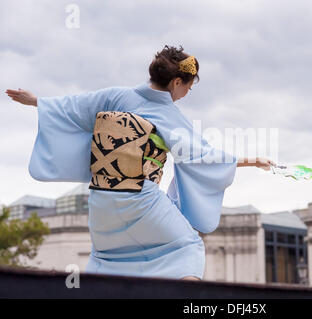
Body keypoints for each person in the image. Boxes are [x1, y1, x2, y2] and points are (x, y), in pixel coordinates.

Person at [6, 45, 275, 281]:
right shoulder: (169, 114)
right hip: (139, 198)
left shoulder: (115, 96)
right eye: (188, 88)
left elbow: (72, 107)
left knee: (107, 257)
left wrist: (36, 101)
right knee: (187, 245)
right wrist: (252, 161)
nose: (185, 94)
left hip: (101, 200)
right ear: (177, 82)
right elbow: (203, 157)